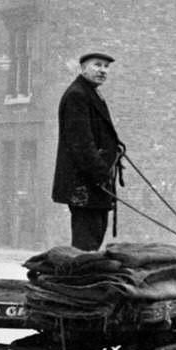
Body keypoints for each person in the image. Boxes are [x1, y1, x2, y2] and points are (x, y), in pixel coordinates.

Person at [52, 51, 125, 251]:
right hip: (85, 184)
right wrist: (101, 174)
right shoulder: (77, 95)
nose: (102, 70)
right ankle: (77, 280)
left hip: (94, 182)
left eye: (106, 66)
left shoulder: (91, 93)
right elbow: (81, 143)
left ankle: (81, 277)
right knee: (86, 243)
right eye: (97, 65)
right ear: (83, 68)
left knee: (95, 235)